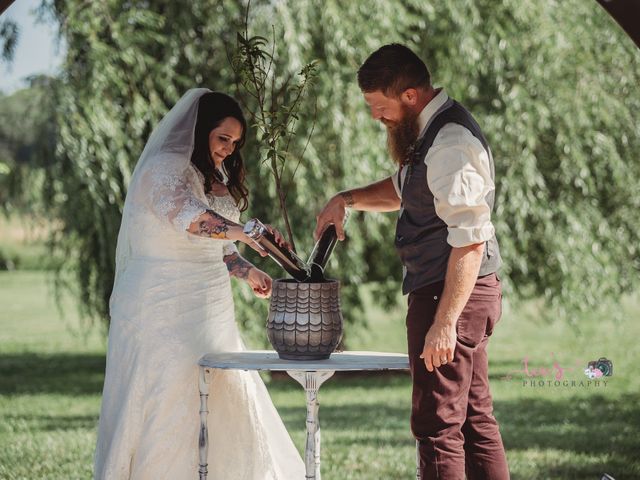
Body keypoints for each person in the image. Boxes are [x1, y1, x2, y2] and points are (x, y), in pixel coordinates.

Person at [315, 44, 510, 479]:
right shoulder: (430, 133)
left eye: (379, 106)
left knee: (437, 424)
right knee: (475, 421)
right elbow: (404, 188)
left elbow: (470, 242)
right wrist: (345, 199)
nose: (375, 117)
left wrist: (444, 322)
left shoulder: (452, 142)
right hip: (457, 292)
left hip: (452, 293)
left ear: (409, 96)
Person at [94, 89, 305, 479]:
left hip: (211, 305)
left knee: (226, 390)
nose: (228, 149)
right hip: (163, 302)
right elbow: (192, 222)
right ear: (200, 130)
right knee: (170, 397)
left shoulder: (215, 175)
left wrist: (247, 270)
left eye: (235, 142)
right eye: (222, 137)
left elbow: (218, 249)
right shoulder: (162, 169)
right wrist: (247, 231)